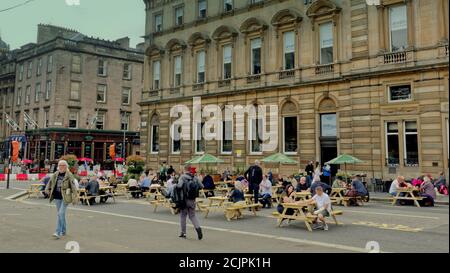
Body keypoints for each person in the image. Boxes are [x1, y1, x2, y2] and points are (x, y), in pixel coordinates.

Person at [45, 160, 77, 239]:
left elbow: (73, 186)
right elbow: (50, 182)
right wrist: (47, 189)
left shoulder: (69, 175)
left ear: (66, 167)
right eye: (60, 165)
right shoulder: (56, 174)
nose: (61, 167)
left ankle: (57, 232)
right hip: (57, 196)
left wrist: (75, 196)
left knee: (60, 213)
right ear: (58, 166)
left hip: (65, 197)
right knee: (61, 214)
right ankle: (64, 230)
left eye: (63, 165)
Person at [176, 165, 203, 240]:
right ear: (190, 170)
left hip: (184, 200)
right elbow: (201, 186)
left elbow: (179, 186)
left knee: (183, 216)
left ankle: (183, 233)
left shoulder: (182, 177)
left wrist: (176, 185)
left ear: (185, 170)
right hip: (192, 200)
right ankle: (198, 228)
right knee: (192, 216)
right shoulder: (195, 178)